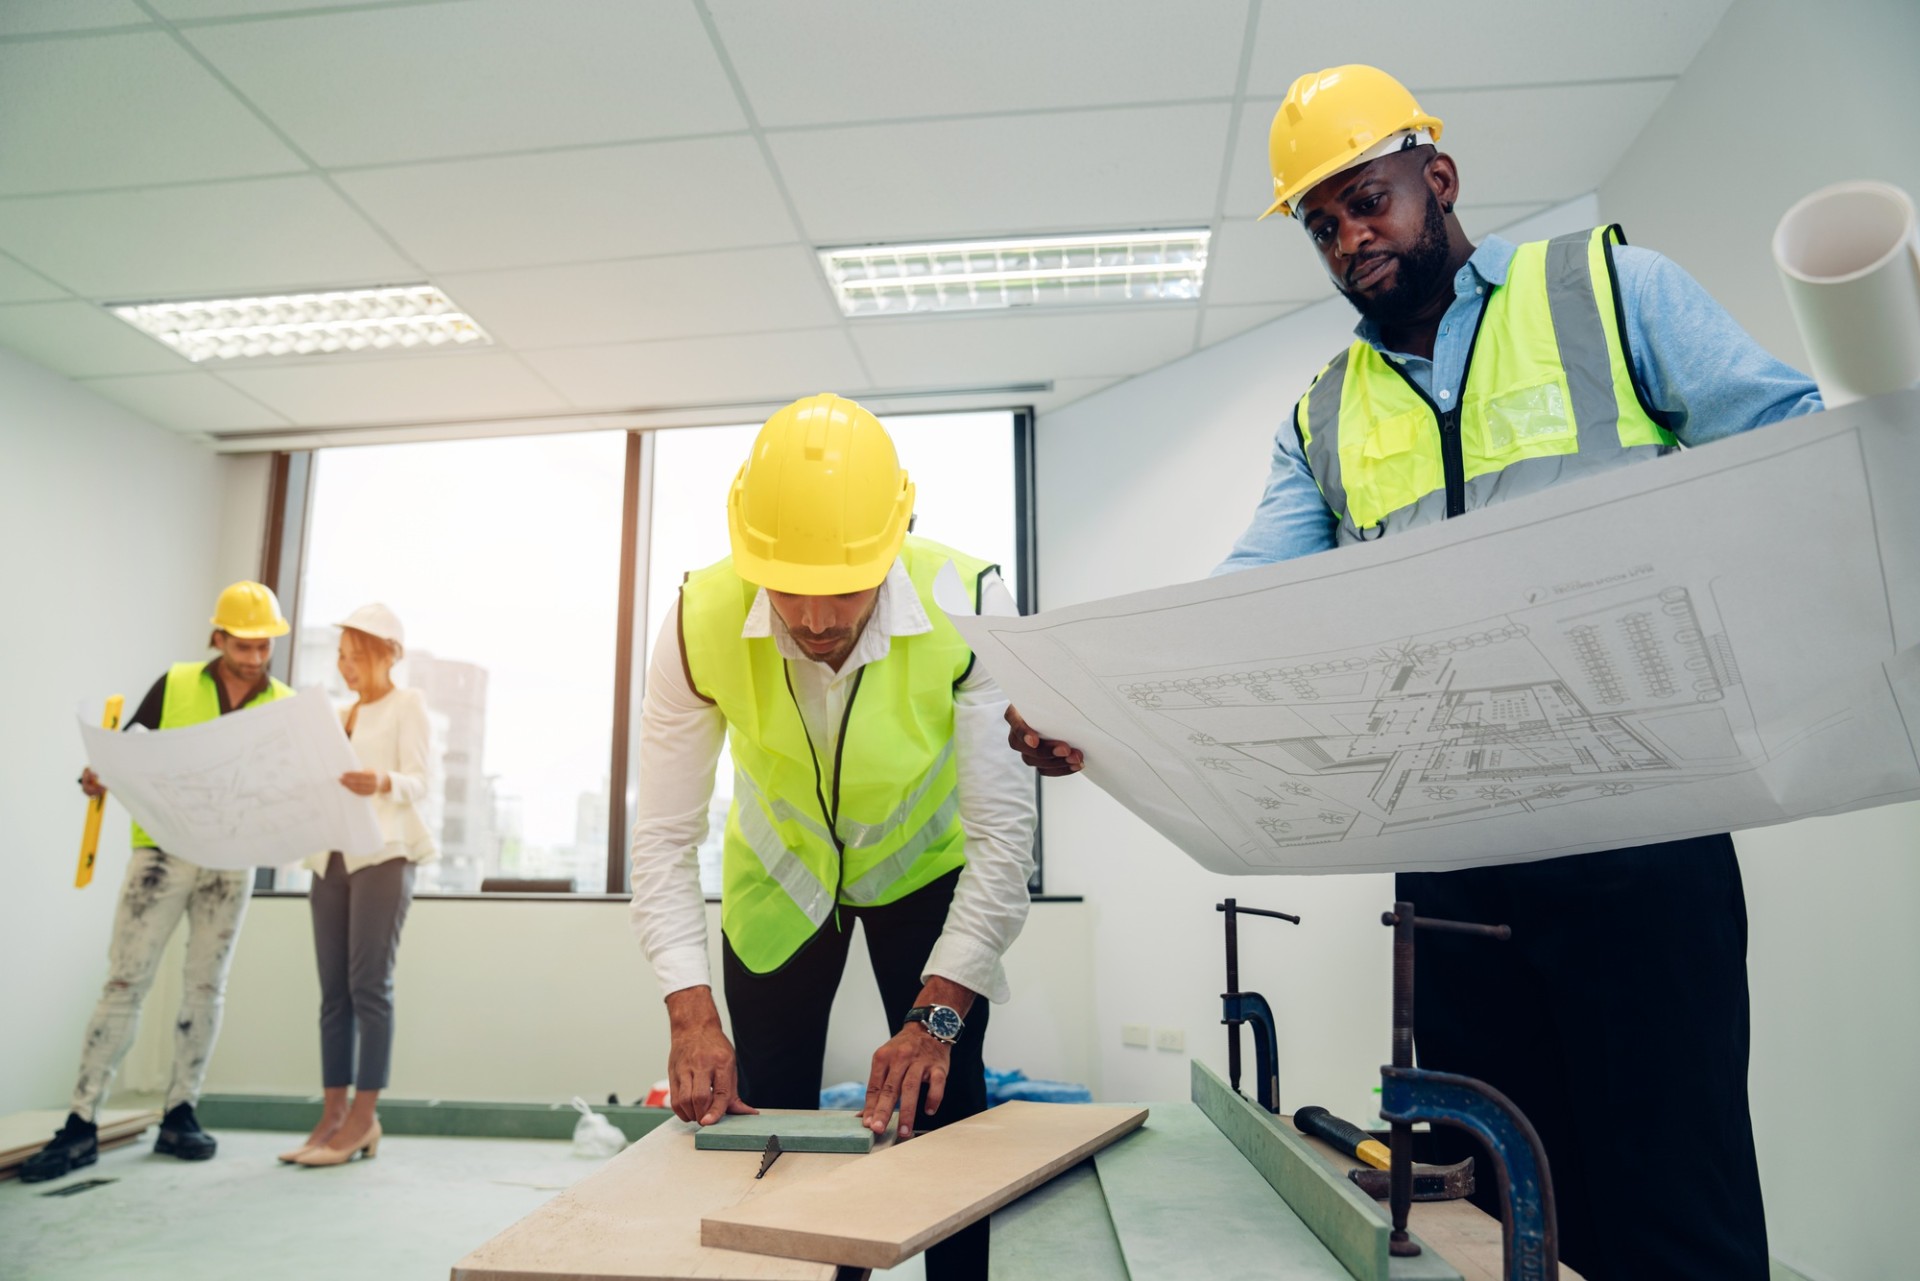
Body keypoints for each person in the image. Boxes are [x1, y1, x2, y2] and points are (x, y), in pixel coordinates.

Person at [1007, 65, 1820, 1281]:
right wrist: (1091, 710)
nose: (1348, 238)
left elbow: (1789, 449)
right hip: (1453, 875)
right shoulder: (1323, 417)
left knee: (1674, 1196)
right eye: (1321, 225)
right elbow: (1245, 612)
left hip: (1643, 839)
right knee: (1490, 1212)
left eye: (1366, 200)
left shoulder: (1607, 292)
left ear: (1436, 180)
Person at [630, 393, 1036, 1280]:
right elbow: (662, 835)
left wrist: (937, 1016)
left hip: (926, 880)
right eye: (789, 587)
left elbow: (1006, 839)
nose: (814, 619)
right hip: (778, 888)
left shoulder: (970, 601)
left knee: (944, 1111)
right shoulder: (699, 616)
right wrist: (689, 1012)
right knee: (772, 1130)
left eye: (844, 587)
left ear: (900, 535)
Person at [23, 582, 295, 1183]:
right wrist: (99, 777)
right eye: (243, 645)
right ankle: (80, 1122)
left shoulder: (284, 705)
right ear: (217, 637)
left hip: (231, 859)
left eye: (263, 646)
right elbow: (131, 756)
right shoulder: (174, 685)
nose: (253, 658)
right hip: (162, 855)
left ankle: (181, 1113)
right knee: (124, 982)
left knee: (206, 986)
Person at [281, 603, 434, 1168]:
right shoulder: (340, 715)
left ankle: (365, 1119)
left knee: (370, 988)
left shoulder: (407, 705)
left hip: (384, 856)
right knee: (334, 996)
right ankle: (331, 1116)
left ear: (385, 656)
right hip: (332, 859)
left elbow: (421, 782)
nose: (346, 667)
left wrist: (381, 780)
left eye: (356, 657)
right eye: (341, 658)